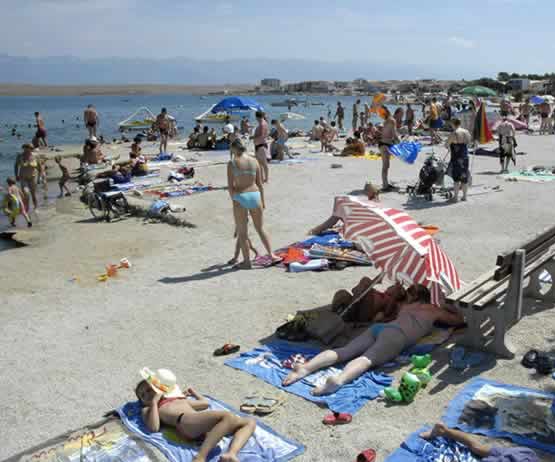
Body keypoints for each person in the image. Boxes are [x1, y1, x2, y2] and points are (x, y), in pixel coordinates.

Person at [282, 285, 465, 395]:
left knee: (344, 351)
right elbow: (458, 321)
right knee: (366, 359)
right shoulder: (434, 310)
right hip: (397, 336)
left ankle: (305, 368)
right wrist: (446, 306)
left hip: (381, 328)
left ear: (412, 296)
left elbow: (393, 305)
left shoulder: (405, 306)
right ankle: (339, 380)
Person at [135, 369, 255, 462]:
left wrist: (193, 393)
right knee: (227, 416)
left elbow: (204, 404)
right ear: (142, 401)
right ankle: (200, 457)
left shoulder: (176, 398)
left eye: (149, 390)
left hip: (201, 424)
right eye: (143, 395)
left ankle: (231, 453)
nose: (146, 394)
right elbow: (153, 427)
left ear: (158, 388)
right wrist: (154, 403)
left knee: (249, 422)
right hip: (184, 423)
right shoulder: (149, 409)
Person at [227, 139, 279, 269]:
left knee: (242, 233)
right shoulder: (254, 161)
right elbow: (260, 184)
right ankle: (271, 255)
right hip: (255, 195)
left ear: (234, 149)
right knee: (261, 228)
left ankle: (246, 262)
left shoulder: (232, 163)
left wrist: (235, 200)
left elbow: (230, 187)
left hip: (240, 196)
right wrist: (263, 201)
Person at [420, 423, 539, 462]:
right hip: (519, 457)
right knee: (477, 448)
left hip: (524, 455)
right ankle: (443, 430)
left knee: (477, 447)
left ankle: (444, 430)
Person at [446, 118, 472, 203]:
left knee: (456, 178)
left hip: (456, 157)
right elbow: (469, 143)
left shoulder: (454, 133)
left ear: (453, 124)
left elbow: (447, 144)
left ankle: (456, 197)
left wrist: (449, 147)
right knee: (464, 177)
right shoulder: (466, 132)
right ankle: (464, 197)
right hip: (464, 156)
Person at [14, 144, 39, 211]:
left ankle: (36, 207)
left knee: (33, 194)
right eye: (27, 148)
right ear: (24, 148)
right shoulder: (20, 156)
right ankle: (27, 208)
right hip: (23, 177)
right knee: (26, 193)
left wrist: (40, 176)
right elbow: (16, 166)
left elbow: (39, 166)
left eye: (31, 148)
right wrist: (16, 175)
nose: (29, 150)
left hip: (33, 177)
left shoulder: (35, 155)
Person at [379, 106, 399, 191]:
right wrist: (399, 141)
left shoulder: (386, 121)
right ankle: (385, 185)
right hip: (386, 144)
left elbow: (386, 133)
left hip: (382, 144)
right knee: (386, 166)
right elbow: (394, 134)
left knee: (386, 166)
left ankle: (385, 183)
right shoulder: (392, 120)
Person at [253, 111, 270, 183]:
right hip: (259, 145)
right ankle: (262, 178)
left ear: (257, 117)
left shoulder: (262, 124)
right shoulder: (262, 123)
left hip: (261, 145)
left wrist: (254, 138)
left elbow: (262, 135)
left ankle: (266, 179)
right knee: (259, 163)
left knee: (263, 163)